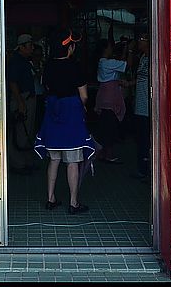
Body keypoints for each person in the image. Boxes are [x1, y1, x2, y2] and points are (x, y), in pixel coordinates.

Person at [34, 29, 96, 215]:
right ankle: (73, 202)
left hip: (53, 113)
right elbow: (84, 96)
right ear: (70, 48)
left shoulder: (48, 66)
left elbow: (47, 88)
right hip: (71, 117)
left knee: (53, 160)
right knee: (72, 161)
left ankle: (50, 198)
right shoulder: (75, 66)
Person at [93, 37, 132, 162]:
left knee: (106, 125)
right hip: (110, 98)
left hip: (105, 97)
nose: (112, 48)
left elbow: (119, 64)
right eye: (110, 46)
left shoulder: (103, 62)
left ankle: (103, 152)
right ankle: (107, 154)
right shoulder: (107, 63)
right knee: (110, 126)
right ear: (105, 49)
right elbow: (127, 65)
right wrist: (130, 50)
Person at [7, 33, 38, 174]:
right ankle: (17, 163)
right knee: (19, 132)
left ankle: (25, 161)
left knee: (27, 131)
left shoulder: (25, 61)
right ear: (22, 47)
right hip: (22, 99)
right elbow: (13, 83)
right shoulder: (16, 61)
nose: (32, 48)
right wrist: (20, 102)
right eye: (30, 45)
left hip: (28, 98)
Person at [123, 32, 150, 179]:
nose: (139, 42)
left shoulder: (153, 58)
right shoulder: (143, 58)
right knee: (140, 138)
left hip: (148, 107)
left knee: (146, 139)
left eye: (141, 40)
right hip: (139, 105)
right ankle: (142, 169)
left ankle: (146, 171)